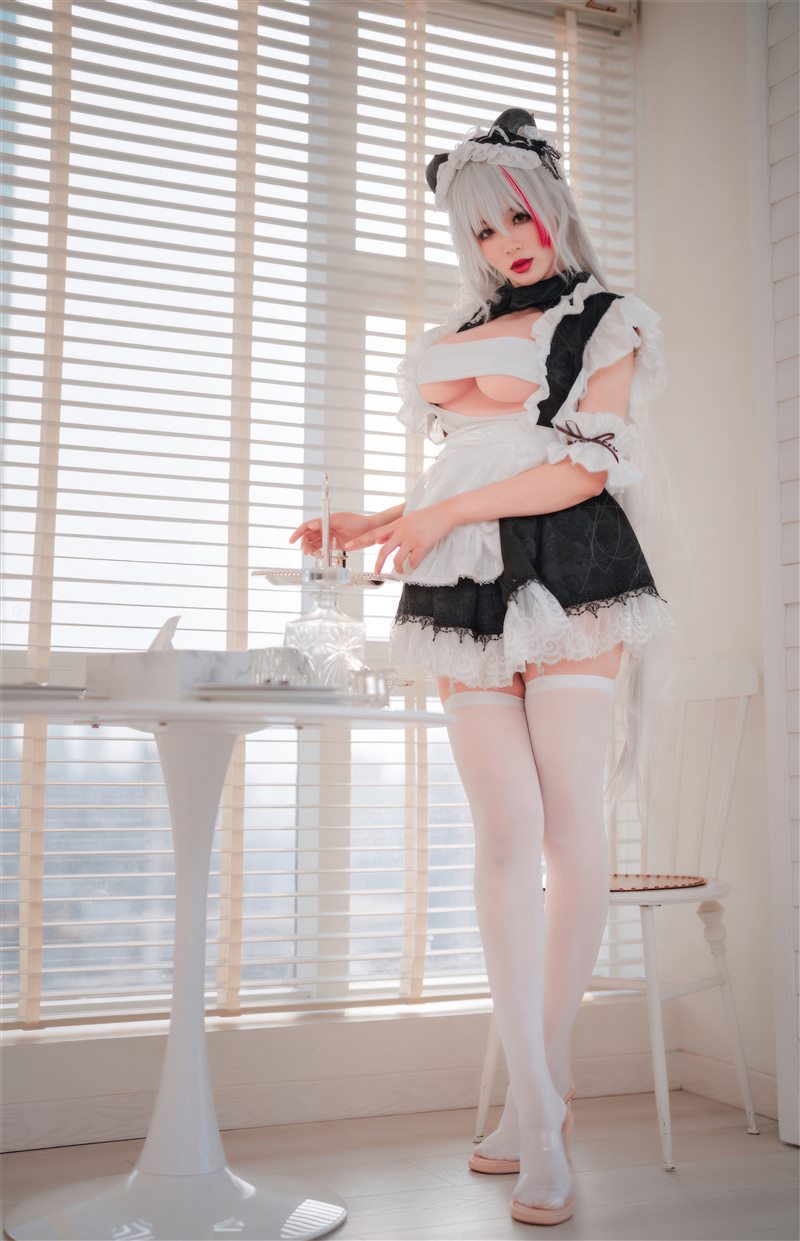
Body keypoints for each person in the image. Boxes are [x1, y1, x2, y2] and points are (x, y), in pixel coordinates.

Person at [289, 107, 675, 1227]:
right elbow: (471, 461)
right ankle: (540, 1102)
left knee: (568, 829)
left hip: (574, 569)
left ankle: (534, 1114)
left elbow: (581, 471)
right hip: (461, 575)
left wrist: (441, 512)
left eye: (518, 218)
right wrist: (376, 522)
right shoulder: (466, 325)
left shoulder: (604, 318)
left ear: (553, 206)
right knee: (504, 833)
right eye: (484, 229)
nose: (507, 243)